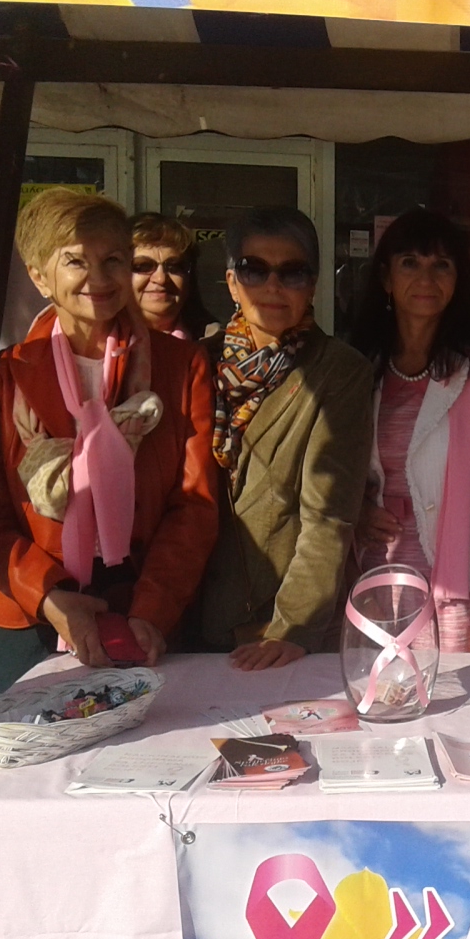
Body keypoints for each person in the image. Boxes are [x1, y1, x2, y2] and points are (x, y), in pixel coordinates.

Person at [0, 189, 217, 693]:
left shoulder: (180, 367)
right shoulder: (4, 378)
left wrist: (153, 609)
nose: (100, 279)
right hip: (30, 614)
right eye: (76, 262)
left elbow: (193, 505)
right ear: (39, 276)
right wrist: (49, 597)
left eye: (113, 260)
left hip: (142, 609)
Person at [198, 206, 375, 670]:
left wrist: (293, 627)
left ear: (312, 284)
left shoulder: (339, 371)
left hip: (276, 633)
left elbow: (328, 516)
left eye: (292, 272)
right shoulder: (197, 362)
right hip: (189, 621)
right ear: (232, 282)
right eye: (255, 269)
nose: (273, 286)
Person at [351, 209, 470, 654]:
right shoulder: (359, 368)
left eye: (441, 265)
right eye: (410, 262)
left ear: (457, 281)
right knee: (372, 693)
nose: (426, 278)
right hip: (372, 583)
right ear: (386, 278)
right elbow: (331, 476)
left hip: (456, 595)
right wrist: (357, 510)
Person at [129, 212, 216, 339]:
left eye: (174, 266)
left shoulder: (219, 346)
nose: (161, 279)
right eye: (143, 266)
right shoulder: (98, 345)